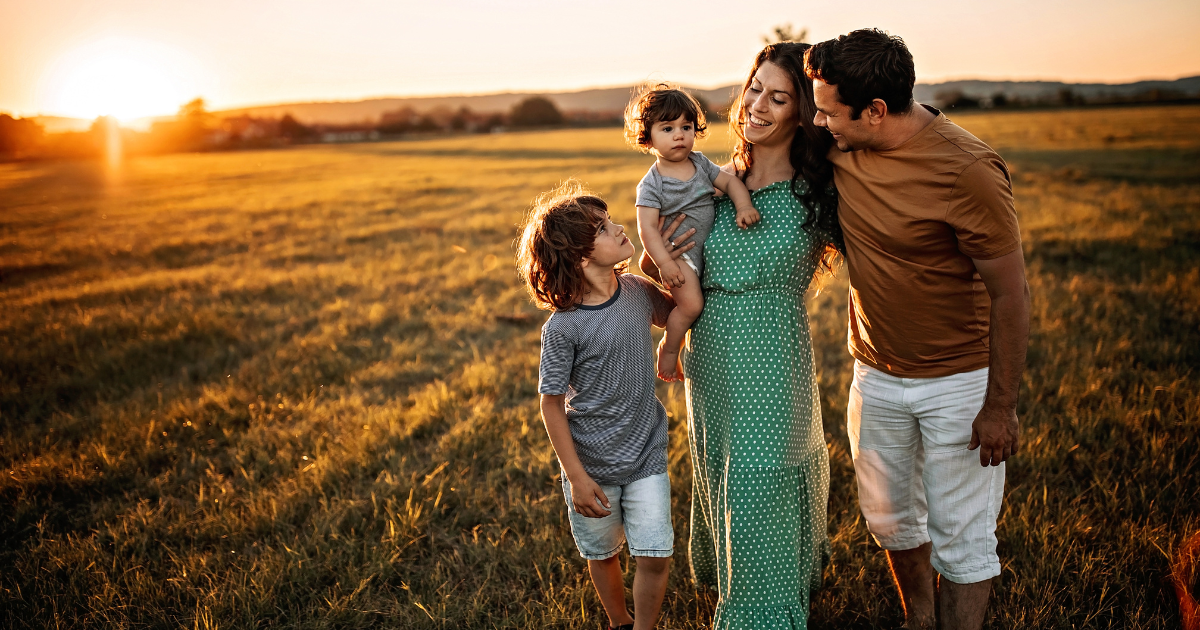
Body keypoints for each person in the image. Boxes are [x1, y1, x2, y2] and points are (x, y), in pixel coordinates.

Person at [805, 29, 1030, 630]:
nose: (819, 122)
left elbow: (1011, 293)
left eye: (828, 111)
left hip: (958, 382)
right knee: (890, 521)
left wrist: (1000, 406)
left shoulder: (968, 170)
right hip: (874, 377)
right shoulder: (840, 146)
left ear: (875, 112)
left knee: (963, 539)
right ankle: (918, 621)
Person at [641, 42, 841, 628]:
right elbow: (670, 270)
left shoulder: (822, 190)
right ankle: (743, 579)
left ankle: (763, 611)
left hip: (775, 351)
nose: (757, 104)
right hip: (711, 358)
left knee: (764, 472)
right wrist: (661, 266)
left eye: (778, 97)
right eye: (755, 87)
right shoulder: (708, 181)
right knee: (726, 467)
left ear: (804, 112)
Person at [517, 182, 676, 630]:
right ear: (583, 258)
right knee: (604, 554)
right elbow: (550, 405)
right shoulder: (564, 327)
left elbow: (678, 311)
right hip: (591, 465)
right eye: (605, 229)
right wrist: (577, 477)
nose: (621, 227)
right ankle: (619, 622)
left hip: (647, 453)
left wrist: (664, 264)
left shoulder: (637, 291)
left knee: (655, 554)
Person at [623, 83, 759, 381]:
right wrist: (666, 264)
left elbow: (730, 183)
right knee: (692, 305)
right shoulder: (652, 184)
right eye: (667, 128)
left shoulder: (699, 163)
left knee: (696, 304)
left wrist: (744, 206)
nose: (680, 135)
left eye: (686, 126)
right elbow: (647, 230)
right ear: (648, 138)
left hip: (703, 252)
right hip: (681, 257)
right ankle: (670, 350)